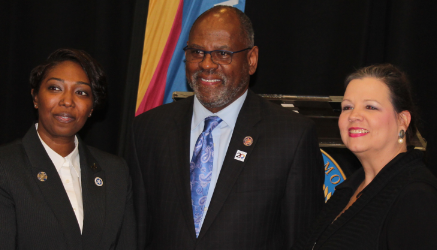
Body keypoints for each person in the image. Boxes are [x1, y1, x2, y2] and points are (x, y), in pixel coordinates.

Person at [128, 6, 324, 249]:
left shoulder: (291, 137)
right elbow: (136, 232)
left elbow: (303, 240)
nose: (207, 64)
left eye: (222, 53)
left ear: (251, 60)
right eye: (197, 52)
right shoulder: (148, 129)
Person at [0, 48, 136, 249]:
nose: (67, 101)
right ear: (35, 97)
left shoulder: (115, 172)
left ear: (91, 108)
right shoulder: (6, 167)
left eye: (81, 92)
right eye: (55, 88)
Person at [295, 64, 437, 250]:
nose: (354, 115)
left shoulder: (416, 196)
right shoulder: (349, 188)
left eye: (370, 107)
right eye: (347, 107)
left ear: (402, 120)